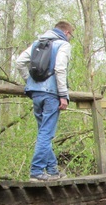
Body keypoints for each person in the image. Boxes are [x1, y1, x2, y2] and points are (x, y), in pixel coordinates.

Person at [15, 20, 74, 181]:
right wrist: (63, 94)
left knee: (44, 132)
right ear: (67, 33)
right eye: (71, 36)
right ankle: (36, 170)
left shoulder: (37, 43)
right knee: (46, 133)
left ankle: (53, 170)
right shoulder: (63, 45)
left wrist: (30, 81)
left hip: (35, 93)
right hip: (51, 94)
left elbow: (19, 62)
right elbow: (60, 68)